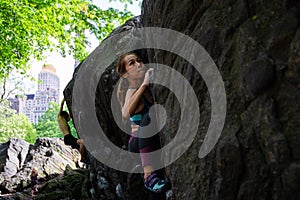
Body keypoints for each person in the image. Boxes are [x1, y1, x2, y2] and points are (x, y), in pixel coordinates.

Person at [116, 53, 170, 199]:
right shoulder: (131, 91)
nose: (138, 64)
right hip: (138, 143)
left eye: (139, 60)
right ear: (125, 74)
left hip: (148, 145)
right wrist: (145, 83)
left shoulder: (146, 92)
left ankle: (151, 177)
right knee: (150, 115)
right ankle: (147, 172)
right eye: (131, 63)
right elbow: (126, 114)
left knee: (158, 190)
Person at [57, 98, 86, 163]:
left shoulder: (63, 121)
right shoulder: (60, 117)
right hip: (68, 138)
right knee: (82, 142)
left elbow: (70, 115)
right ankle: (82, 158)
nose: (68, 119)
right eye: (67, 117)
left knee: (80, 147)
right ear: (64, 115)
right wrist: (64, 98)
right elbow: (61, 105)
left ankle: (82, 159)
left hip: (69, 137)